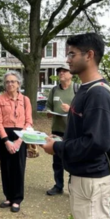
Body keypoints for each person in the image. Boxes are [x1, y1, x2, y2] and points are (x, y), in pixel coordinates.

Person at [42, 33, 110, 219]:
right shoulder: (84, 90)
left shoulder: (98, 95)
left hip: (93, 182)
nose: (68, 59)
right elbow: (83, 135)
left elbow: (97, 142)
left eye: (72, 54)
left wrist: (58, 148)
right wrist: (59, 142)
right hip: (83, 179)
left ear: (90, 55)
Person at [0, 71, 33, 213]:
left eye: (13, 81)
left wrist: (18, 141)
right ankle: (8, 197)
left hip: (20, 135)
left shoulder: (25, 100)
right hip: (4, 135)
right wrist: (6, 141)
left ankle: (17, 199)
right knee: (6, 167)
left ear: (18, 84)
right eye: (7, 82)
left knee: (19, 167)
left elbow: (29, 122)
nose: (10, 84)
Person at [46, 63, 79, 196]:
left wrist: (71, 109)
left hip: (73, 131)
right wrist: (49, 112)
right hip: (57, 130)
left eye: (64, 71)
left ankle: (73, 188)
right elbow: (48, 107)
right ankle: (58, 186)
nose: (61, 73)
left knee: (72, 160)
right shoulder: (54, 90)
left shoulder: (78, 89)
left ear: (71, 74)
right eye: (59, 71)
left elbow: (84, 110)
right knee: (57, 161)